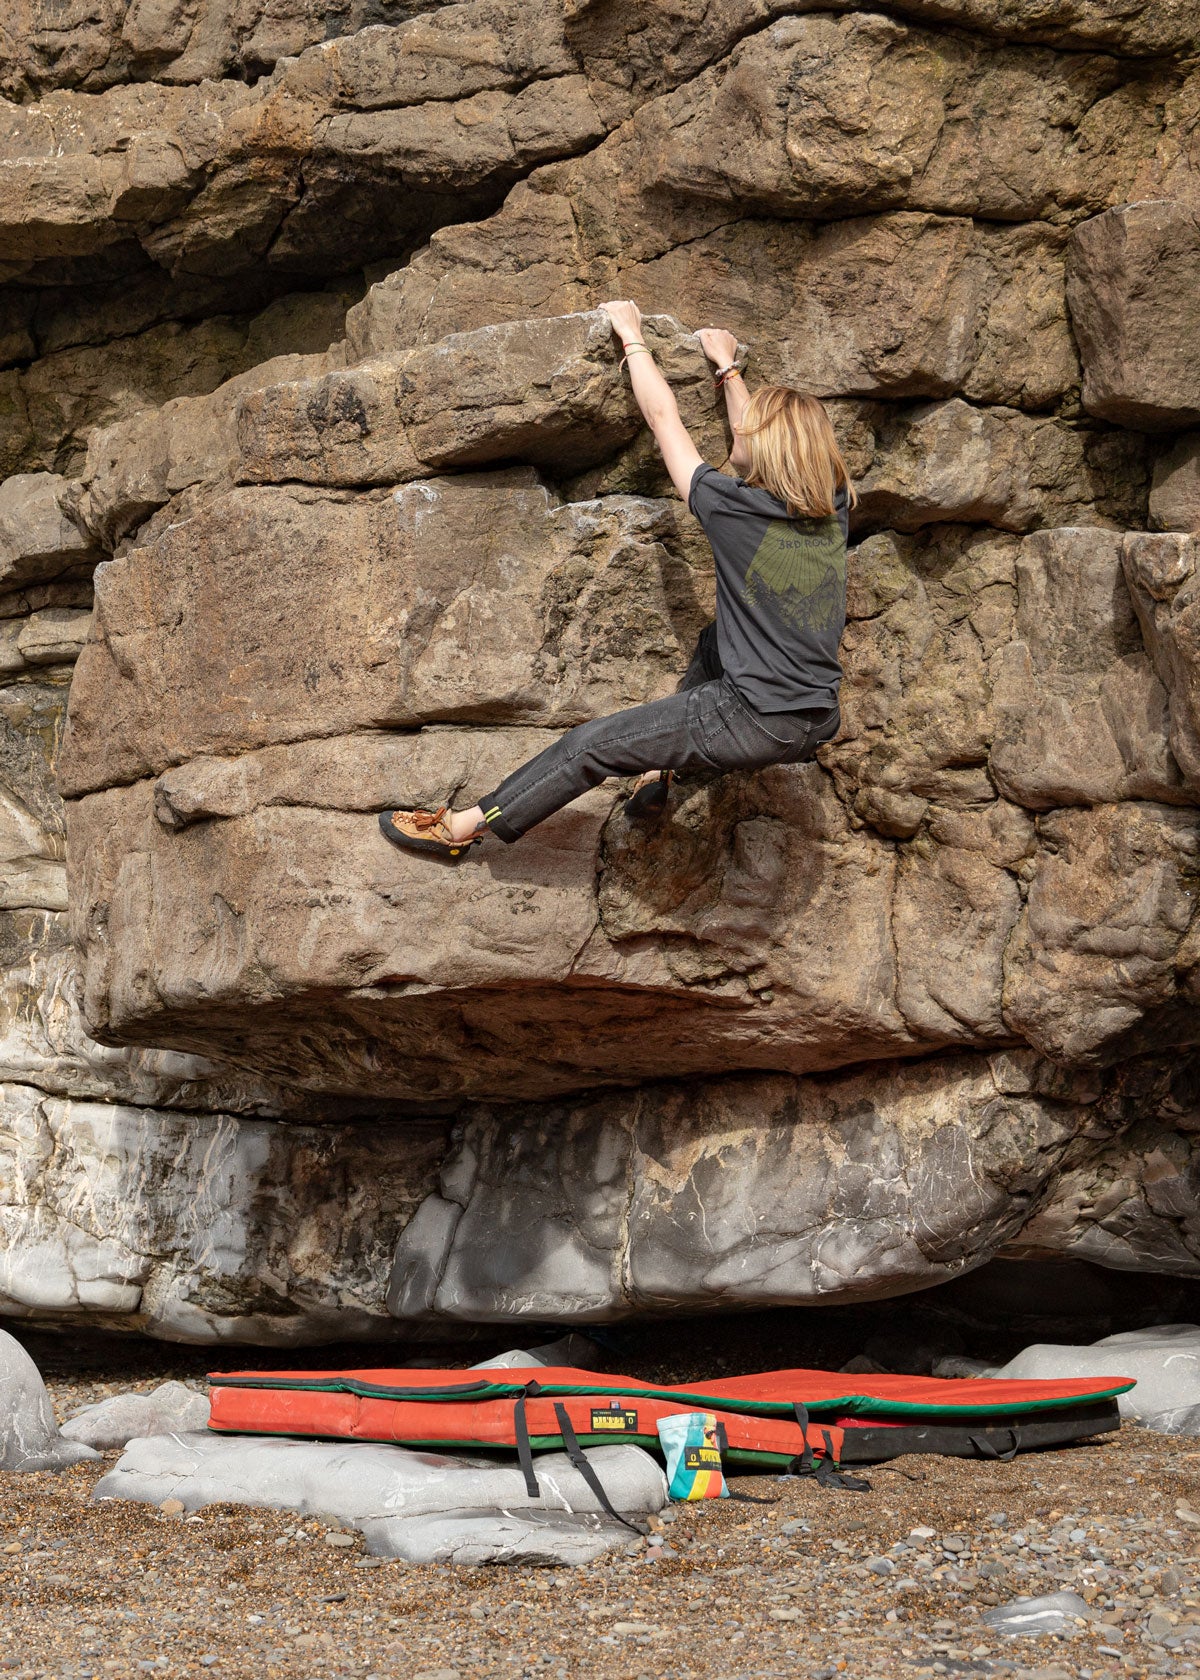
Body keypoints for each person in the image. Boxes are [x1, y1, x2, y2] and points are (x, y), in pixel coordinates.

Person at [379, 299, 855, 860]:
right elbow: (767, 444)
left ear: (766, 446)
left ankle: (464, 828)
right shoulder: (834, 505)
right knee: (714, 639)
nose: (740, 431)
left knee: (592, 746)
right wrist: (726, 369)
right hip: (817, 716)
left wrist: (631, 338)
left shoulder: (730, 509)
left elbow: (664, 421)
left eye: (749, 430)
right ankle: (660, 765)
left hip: (753, 721)